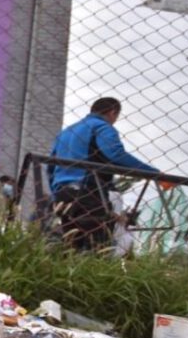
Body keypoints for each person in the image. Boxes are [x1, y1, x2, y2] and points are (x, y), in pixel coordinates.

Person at [49, 97, 160, 251]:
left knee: (72, 245)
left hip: (64, 193)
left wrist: (55, 192)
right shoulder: (102, 127)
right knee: (98, 245)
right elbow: (115, 154)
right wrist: (153, 173)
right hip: (89, 191)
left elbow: (51, 167)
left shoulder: (66, 132)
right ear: (113, 112)